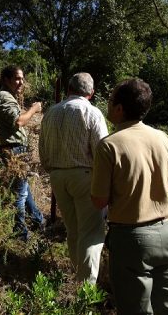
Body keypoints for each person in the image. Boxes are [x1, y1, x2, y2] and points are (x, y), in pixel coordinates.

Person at [91, 78, 168, 314]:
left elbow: (99, 200)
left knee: (136, 309)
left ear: (119, 108)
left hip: (131, 239)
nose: (108, 104)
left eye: (111, 100)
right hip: (166, 233)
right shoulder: (163, 138)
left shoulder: (109, 145)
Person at [39, 72, 109, 284]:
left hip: (58, 176)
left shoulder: (51, 112)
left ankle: (77, 274)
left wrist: (52, 170)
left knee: (73, 229)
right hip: (86, 176)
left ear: (69, 89)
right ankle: (85, 288)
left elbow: (42, 149)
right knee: (91, 232)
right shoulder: (92, 112)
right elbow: (103, 151)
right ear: (91, 93)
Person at [0, 65, 44, 241]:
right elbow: (18, 121)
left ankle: (37, 220)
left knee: (23, 188)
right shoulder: (3, 96)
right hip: (14, 149)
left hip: (14, 147)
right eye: (17, 79)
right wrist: (34, 109)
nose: (21, 82)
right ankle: (21, 234)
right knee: (19, 194)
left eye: (22, 79)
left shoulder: (7, 97)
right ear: (6, 79)